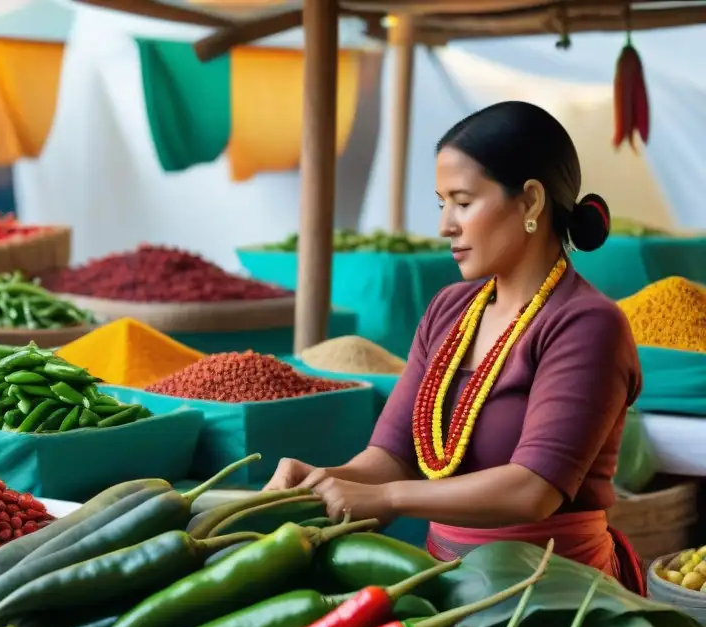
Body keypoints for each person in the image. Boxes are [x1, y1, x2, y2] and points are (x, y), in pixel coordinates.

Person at [266, 101, 645, 594]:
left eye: (463, 202)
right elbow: (392, 456)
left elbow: (532, 489)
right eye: (440, 203)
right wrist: (322, 480)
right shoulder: (451, 309)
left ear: (531, 202)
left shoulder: (587, 325)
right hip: (447, 586)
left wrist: (392, 500)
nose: (446, 225)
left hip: (554, 594)